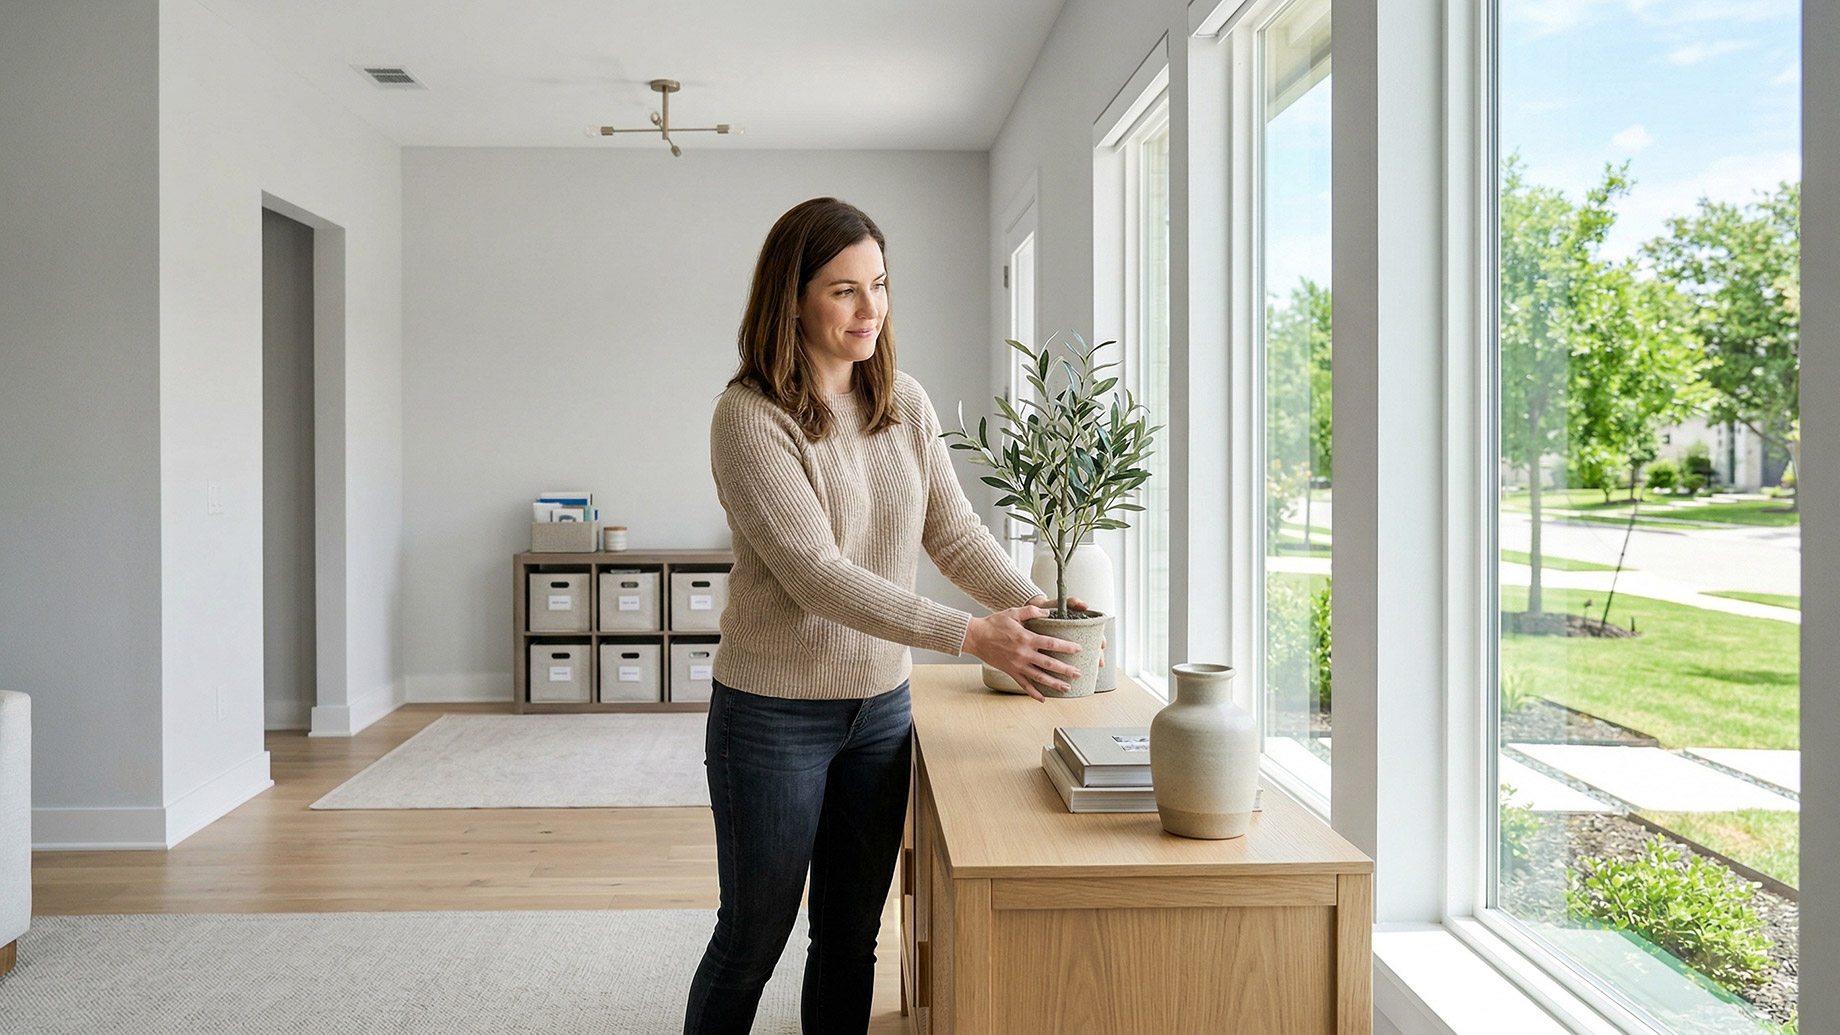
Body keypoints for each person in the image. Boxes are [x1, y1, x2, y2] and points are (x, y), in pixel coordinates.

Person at [684, 196, 1098, 1034]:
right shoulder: (750, 416)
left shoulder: (901, 401)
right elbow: (816, 576)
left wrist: (1032, 601)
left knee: (850, 935)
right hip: (771, 716)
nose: (871, 308)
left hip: (879, 713)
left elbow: (950, 530)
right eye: (844, 290)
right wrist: (969, 634)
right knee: (753, 934)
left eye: (879, 284)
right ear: (791, 298)